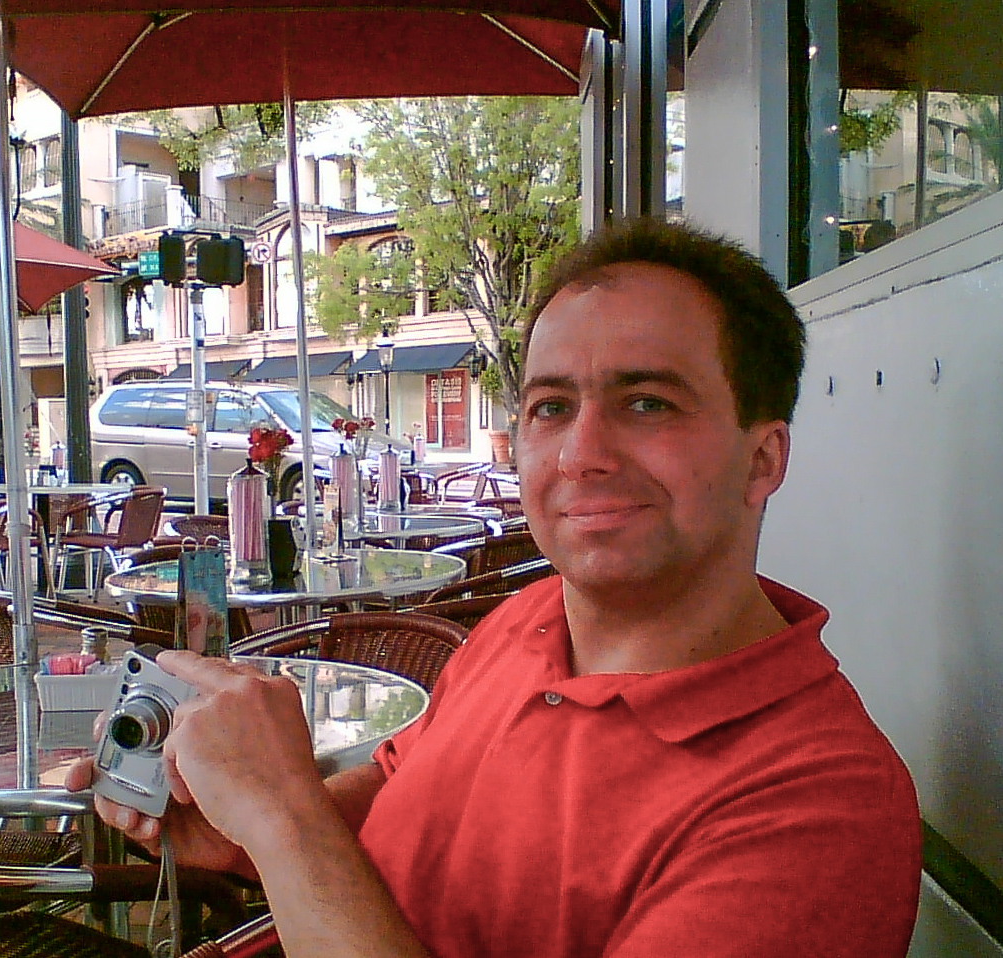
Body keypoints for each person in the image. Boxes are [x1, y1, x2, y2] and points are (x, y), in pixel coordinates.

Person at [68, 218, 921, 957]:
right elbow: (399, 796)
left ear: (762, 459)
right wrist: (243, 830)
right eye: (551, 407)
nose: (581, 454)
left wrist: (283, 820)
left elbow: (307, 831)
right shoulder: (527, 619)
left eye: (649, 403)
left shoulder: (819, 805)